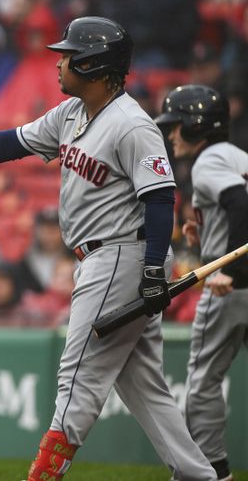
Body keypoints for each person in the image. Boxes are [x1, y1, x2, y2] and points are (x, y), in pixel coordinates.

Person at [0, 16, 217, 480]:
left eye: (69, 56)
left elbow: (159, 198)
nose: (59, 63)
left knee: (76, 381)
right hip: (105, 258)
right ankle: (200, 475)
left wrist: (153, 269)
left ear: (95, 66)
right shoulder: (71, 114)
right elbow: (10, 143)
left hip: (121, 255)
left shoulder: (133, 125)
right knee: (144, 386)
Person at [155, 84, 248, 481]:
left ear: (196, 126)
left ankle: (211, 471)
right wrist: (205, 230)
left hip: (231, 285)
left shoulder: (208, 161)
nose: (171, 134)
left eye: (176, 126)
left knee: (201, 381)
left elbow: (241, 203)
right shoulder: (236, 154)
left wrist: (233, 270)